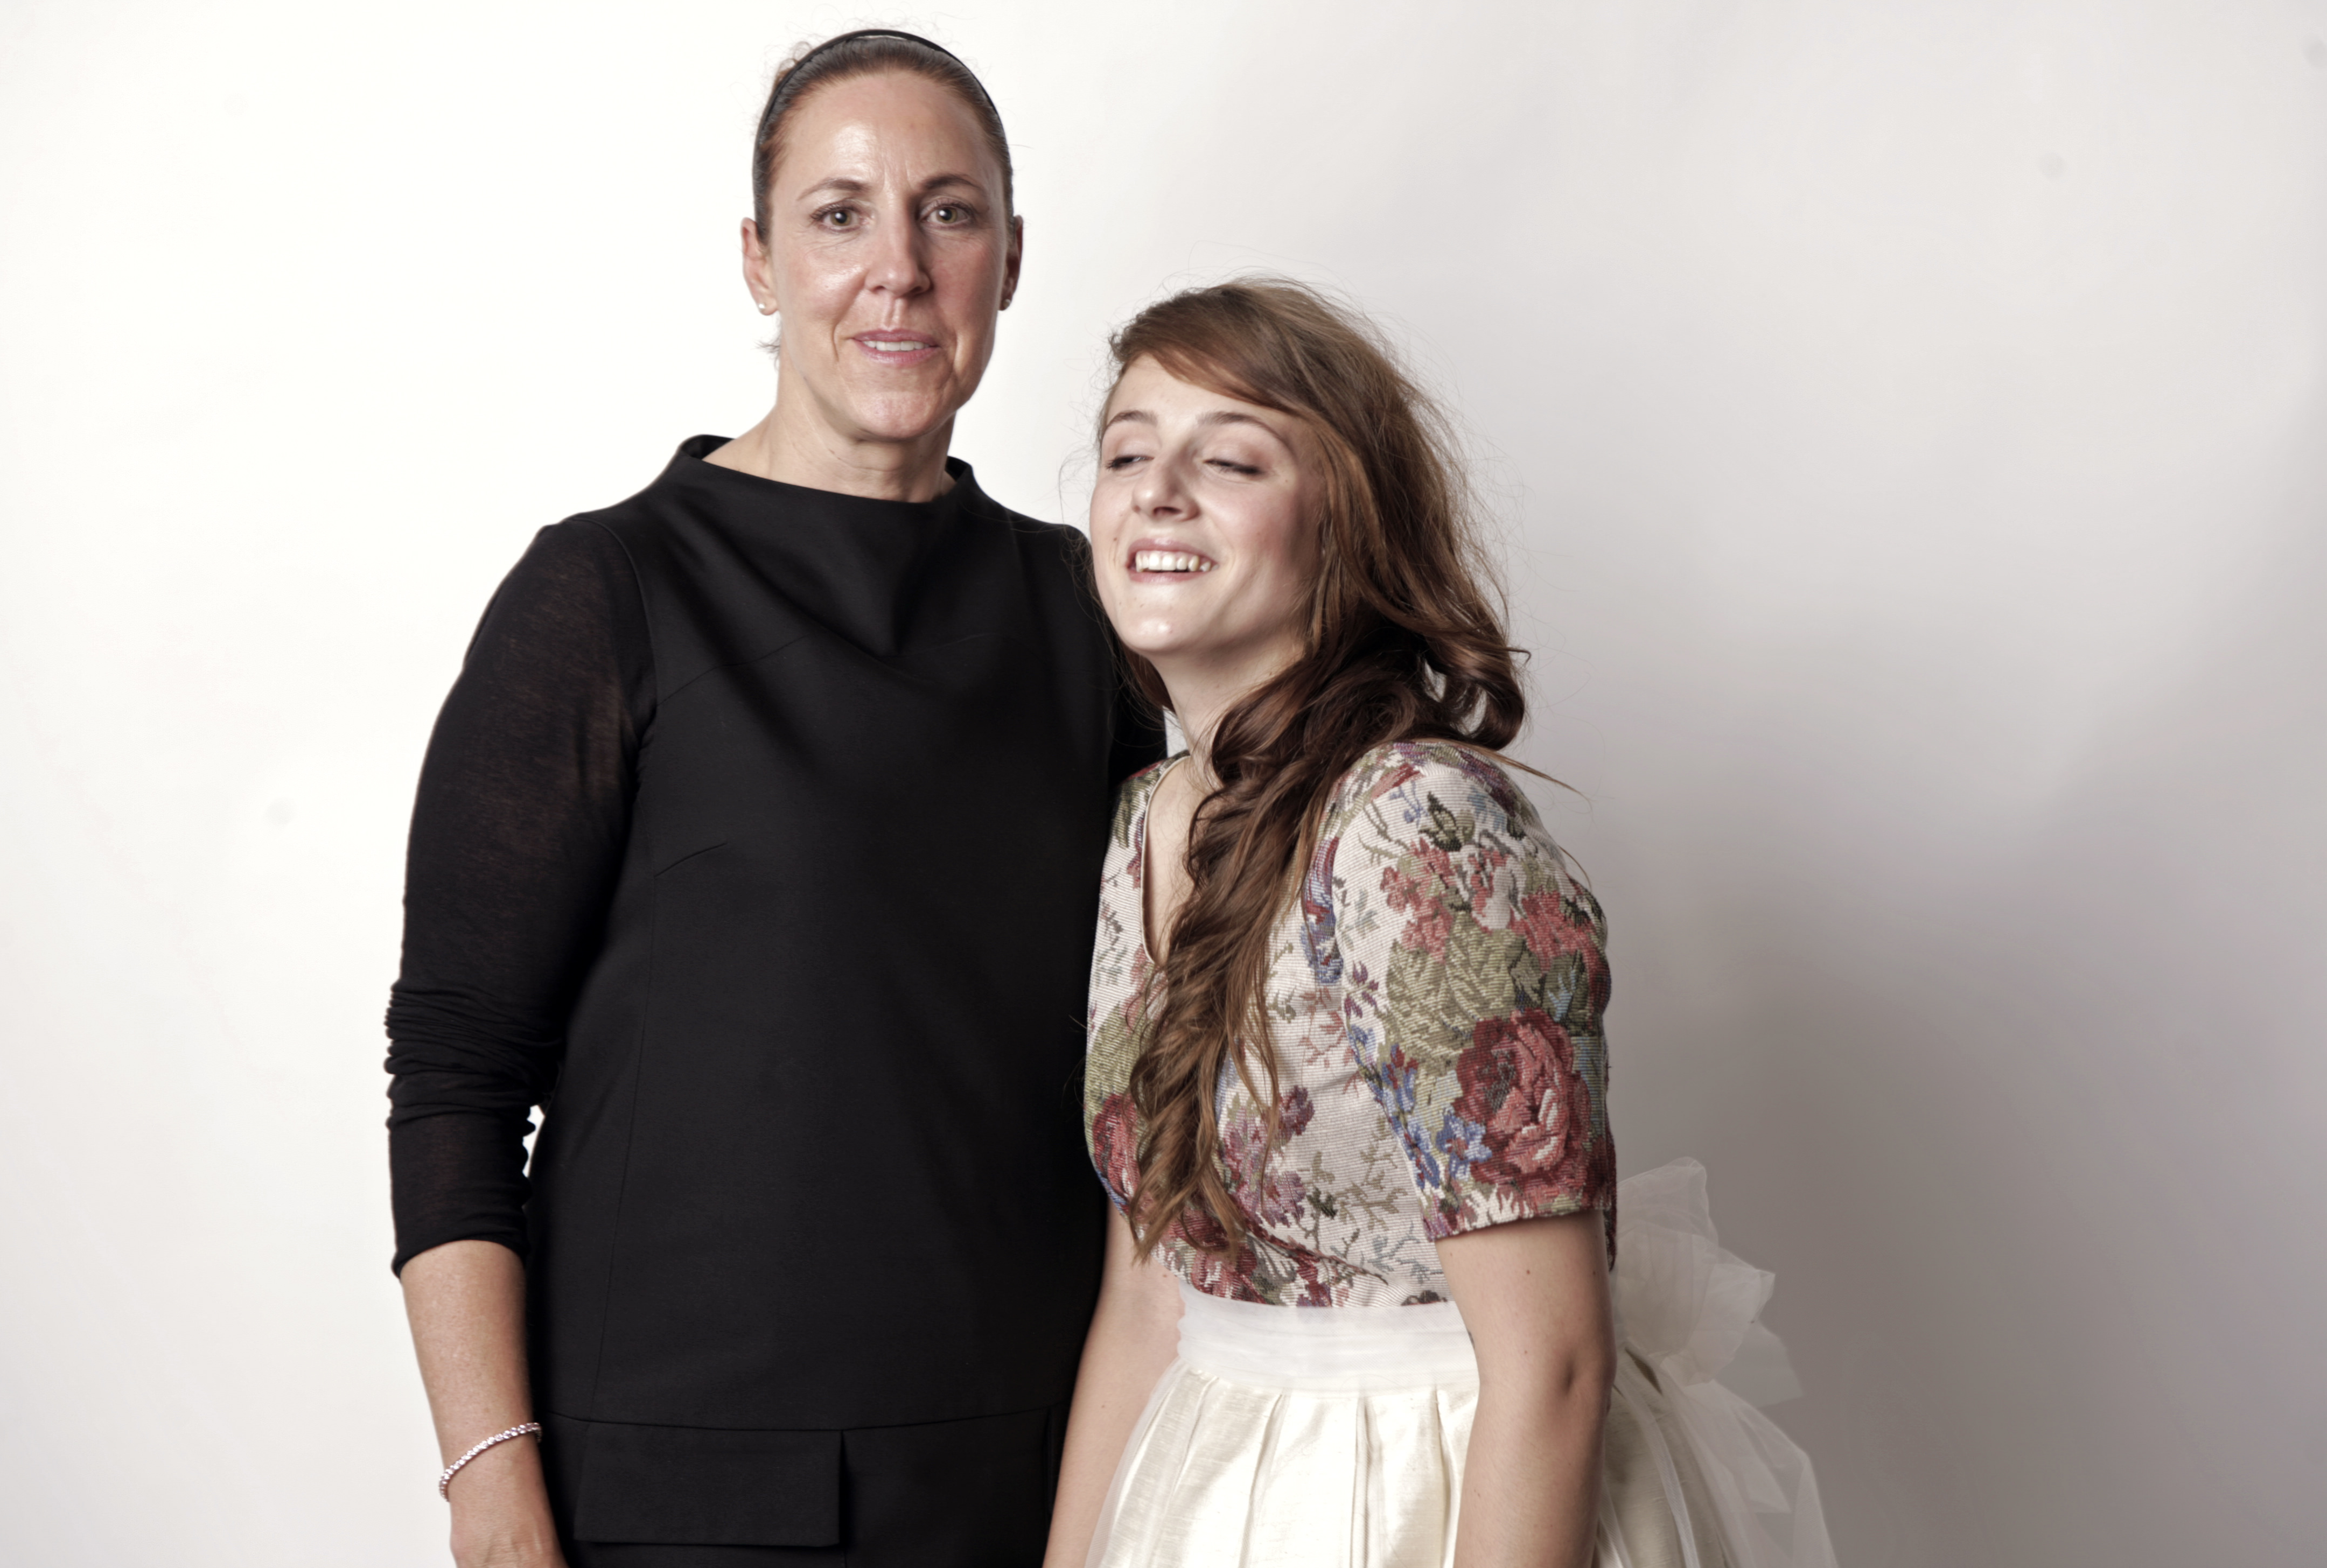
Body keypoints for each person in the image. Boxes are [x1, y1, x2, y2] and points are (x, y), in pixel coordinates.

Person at [385, 30, 1163, 1568]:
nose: (899, 270)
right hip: (675, 1491)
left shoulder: (1086, 610)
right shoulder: (606, 594)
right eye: (839, 214)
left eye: (949, 213)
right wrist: (490, 1484)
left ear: (1010, 261)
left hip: (1028, 1482)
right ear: (758, 259)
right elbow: (459, 1071)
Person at [1043, 281, 1838, 1568]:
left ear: (1345, 527)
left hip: (1438, 1487)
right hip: (1209, 1480)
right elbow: (1145, 1298)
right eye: (1128, 453)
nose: (1158, 493)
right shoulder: (1146, 819)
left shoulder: (1419, 826)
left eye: (1230, 459)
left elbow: (1554, 1360)